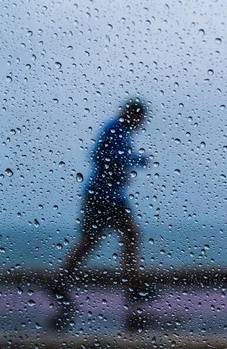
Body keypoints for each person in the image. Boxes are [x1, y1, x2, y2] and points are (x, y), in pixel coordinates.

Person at [51, 98, 151, 331]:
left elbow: (113, 158)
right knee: (113, 238)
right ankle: (133, 287)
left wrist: (130, 164)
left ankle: (61, 282)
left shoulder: (121, 131)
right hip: (102, 196)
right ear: (132, 114)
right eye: (140, 118)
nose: (141, 123)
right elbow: (101, 156)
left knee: (115, 238)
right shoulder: (115, 129)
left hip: (109, 196)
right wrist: (133, 162)